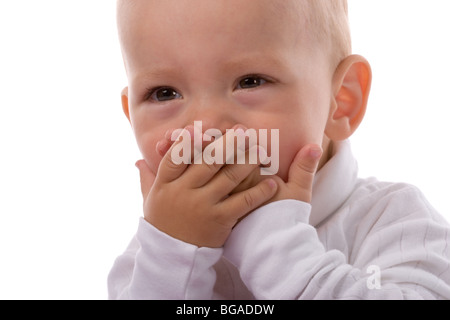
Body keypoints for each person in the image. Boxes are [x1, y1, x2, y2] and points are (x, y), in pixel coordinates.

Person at [108, 0, 450, 299]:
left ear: (341, 101)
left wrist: (272, 243)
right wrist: (172, 258)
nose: (206, 127)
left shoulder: (396, 223)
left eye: (250, 81)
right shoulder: (151, 258)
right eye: (164, 93)